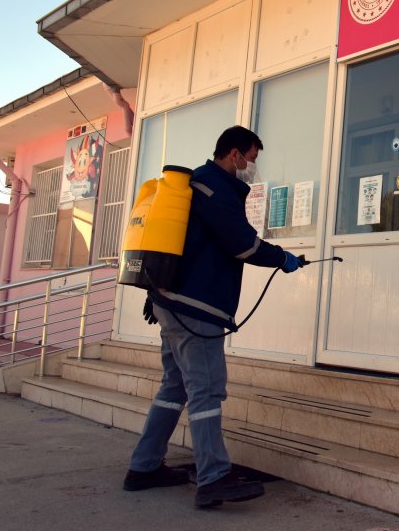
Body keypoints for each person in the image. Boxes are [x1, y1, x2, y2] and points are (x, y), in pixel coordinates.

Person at [122, 125, 306, 508]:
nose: (252, 168)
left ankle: (143, 467)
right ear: (235, 155)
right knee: (205, 390)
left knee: (174, 388)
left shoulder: (195, 184)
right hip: (196, 308)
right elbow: (241, 244)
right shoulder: (215, 188)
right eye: (252, 159)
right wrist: (282, 258)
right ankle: (214, 478)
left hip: (171, 302)